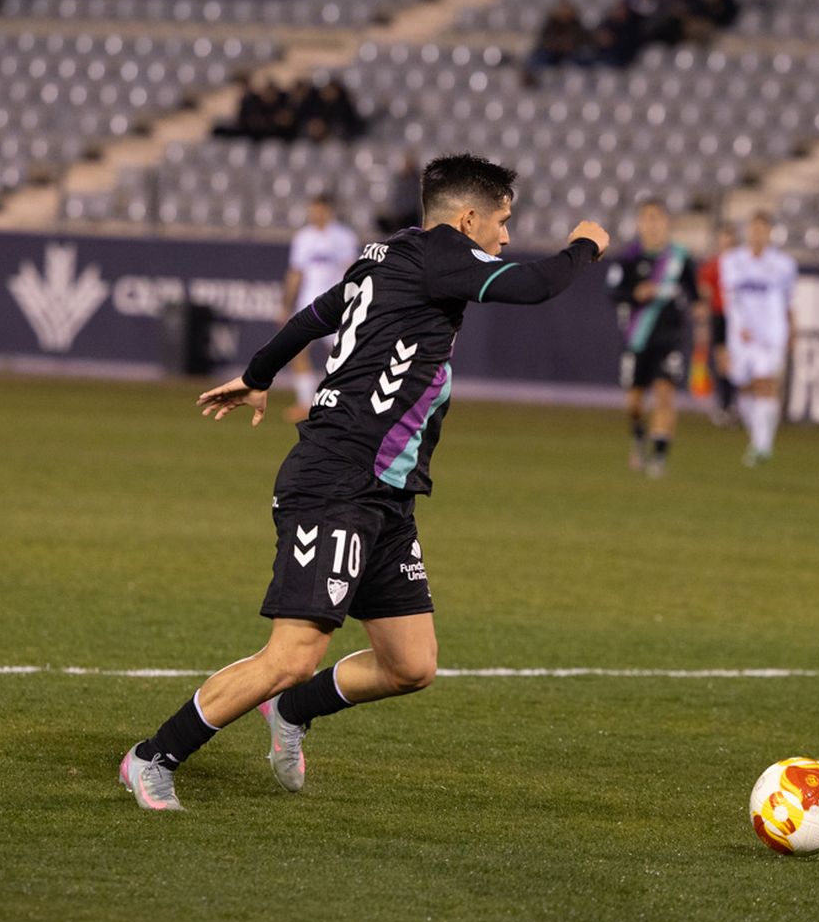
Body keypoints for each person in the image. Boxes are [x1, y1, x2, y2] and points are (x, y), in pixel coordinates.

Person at [118, 154, 608, 811]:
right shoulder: (441, 254)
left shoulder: (388, 255)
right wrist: (586, 244)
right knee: (292, 651)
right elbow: (535, 285)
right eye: (503, 221)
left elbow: (317, 313)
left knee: (411, 665)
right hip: (337, 477)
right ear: (467, 218)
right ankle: (153, 755)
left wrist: (259, 373)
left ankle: (292, 709)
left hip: (386, 491)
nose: (507, 237)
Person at [605, 199, 698, 478]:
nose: (652, 224)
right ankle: (638, 434)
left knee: (664, 393)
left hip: (670, 337)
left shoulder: (680, 259)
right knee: (634, 401)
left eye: (657, 218)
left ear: (666, 222)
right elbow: (613, 292)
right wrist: (636, 294)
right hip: (637, 338)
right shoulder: (629, 258)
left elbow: (694, 294)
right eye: (646, 218)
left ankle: (658, 457)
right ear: (639, 223)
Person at [720, 211, 796, 466]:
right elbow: (729, 300)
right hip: (740, 336)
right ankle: (757, 437)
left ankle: (762, 445)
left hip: (770, 333)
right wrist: (732, 331)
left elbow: (789, 302)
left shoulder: (784, 264)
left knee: (765, 382)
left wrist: (792, 330)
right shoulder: (731, 261)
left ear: (770, 232)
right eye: (754, 228)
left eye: (762, 229)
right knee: (744, 386)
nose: (757, 233)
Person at [278, 193, 360, 420]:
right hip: (307, 303)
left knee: (340, 355)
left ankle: (342, 403)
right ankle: (305, 402)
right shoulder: (303, 237)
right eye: (312, 210)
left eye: (318, 210)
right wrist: (286, 305)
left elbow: (351, 271)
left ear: (328, 210)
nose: (314, 214)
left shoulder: (343, 237)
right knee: (297, 351)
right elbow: (295, 273)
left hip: (335, 305)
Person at [696, 221, 740, 425]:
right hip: (720, 315)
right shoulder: (712, 265)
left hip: (739, 317)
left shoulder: (742, 263)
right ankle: (725, 403)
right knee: (723, 360)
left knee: (736, 361)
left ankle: (733, 403)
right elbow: (704, 293)